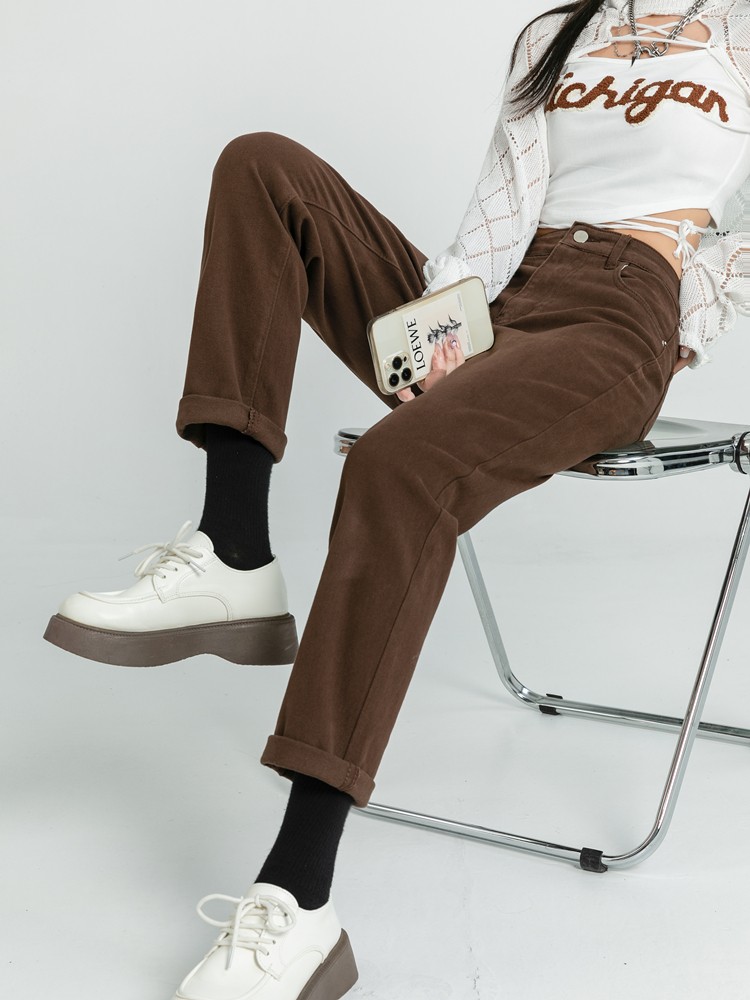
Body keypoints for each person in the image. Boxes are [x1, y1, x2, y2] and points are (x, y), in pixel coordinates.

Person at [42, 1, 750, 998]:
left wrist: (681, 328)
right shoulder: (559, 31)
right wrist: (444, 324)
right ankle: (234, 549)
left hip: (616, 319)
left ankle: (298, 898)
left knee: (392, 466)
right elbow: (501, 206)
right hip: (499, 304)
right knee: (263, 165)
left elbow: (739, 243)